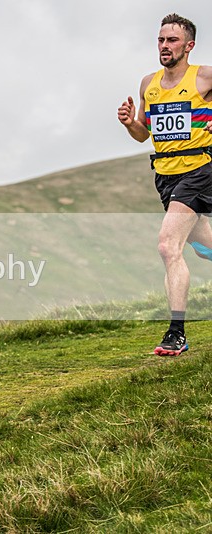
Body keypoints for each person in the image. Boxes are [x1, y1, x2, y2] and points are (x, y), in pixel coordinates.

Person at [118, 13, 212, 356]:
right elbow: (145, 133)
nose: (164, 46)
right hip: (166, 175)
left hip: (201, 169)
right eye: (160, 40)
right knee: (203, 241)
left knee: (168, 246)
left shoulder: (203, 76)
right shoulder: (148, 83)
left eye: (172, 40)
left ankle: (177, 333)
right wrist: (131, 123)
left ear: (189, 46)